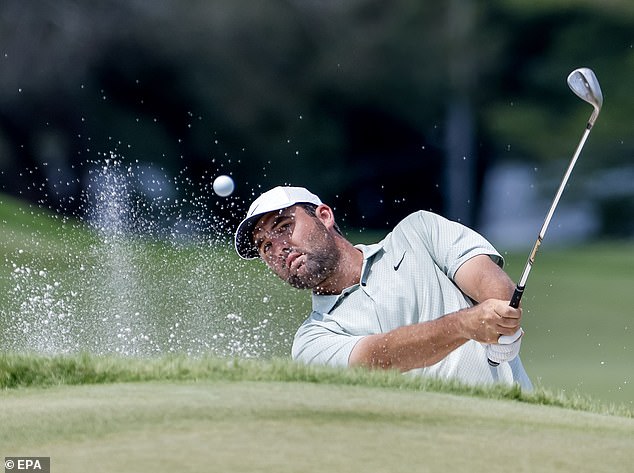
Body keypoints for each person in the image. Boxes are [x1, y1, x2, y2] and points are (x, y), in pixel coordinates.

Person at [234, 186, 532, 389]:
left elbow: (493, 287)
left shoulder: (419, 232)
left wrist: (501, 318)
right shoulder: (311, 342)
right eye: (265, 246)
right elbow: (377, 361)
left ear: (324, 216)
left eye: (284, 227)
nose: (279, 249)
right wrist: (465, 325)